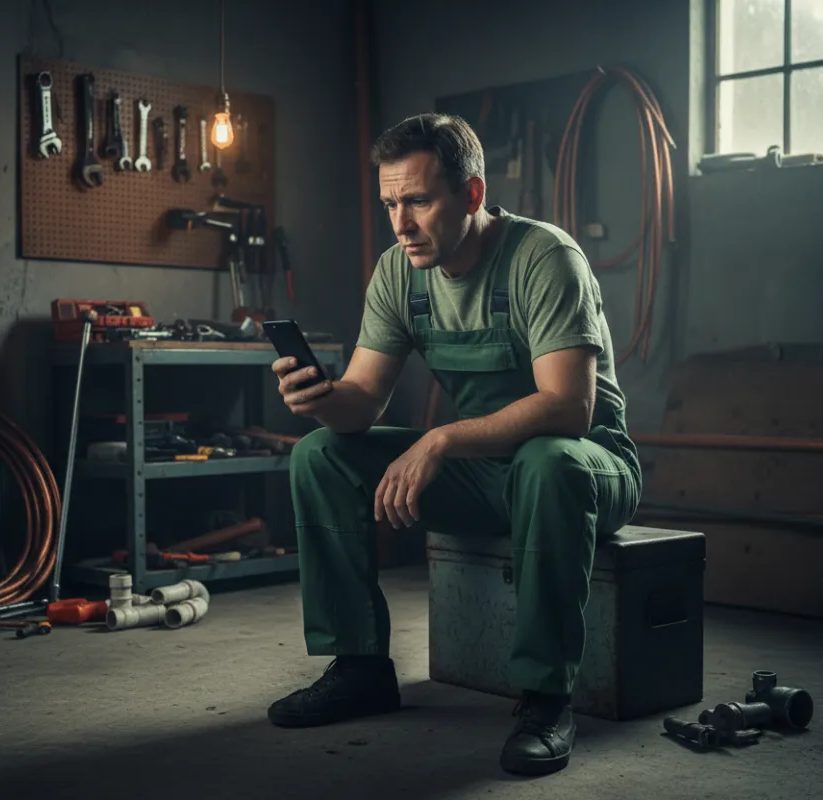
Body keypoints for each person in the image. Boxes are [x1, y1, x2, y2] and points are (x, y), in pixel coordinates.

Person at [265, 112, 642, 777]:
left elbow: (569, 408)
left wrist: (440, 439)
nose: (401, 223)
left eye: (417, 201)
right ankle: (359, 668)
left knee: (547, 460)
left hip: (588, 466)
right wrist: (321, 399)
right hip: (487, 470)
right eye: (390, 204)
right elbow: (362, 399)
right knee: (320, 454)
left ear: (471, 194)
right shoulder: (399, 273)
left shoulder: (544, 258)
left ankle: (546, 699)